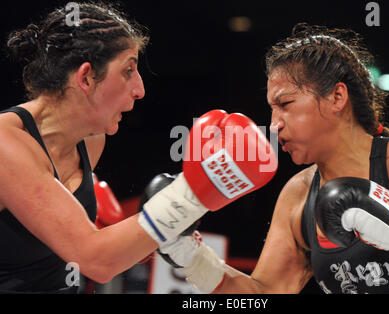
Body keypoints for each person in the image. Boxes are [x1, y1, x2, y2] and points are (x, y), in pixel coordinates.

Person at [0, 2, 276, 293]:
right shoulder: (7, 143)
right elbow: (96, 260)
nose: (140, 89)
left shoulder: (91, 141)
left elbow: (82, 250)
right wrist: (192, 194)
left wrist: (150, 235)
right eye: (128, 70)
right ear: (86, 77)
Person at [157, 23, 389, 294]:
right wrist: (190, 257)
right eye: (272, 109)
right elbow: (265, 294)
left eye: (285, 104)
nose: (274, 125)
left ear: (336, 97)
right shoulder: (298, 196)